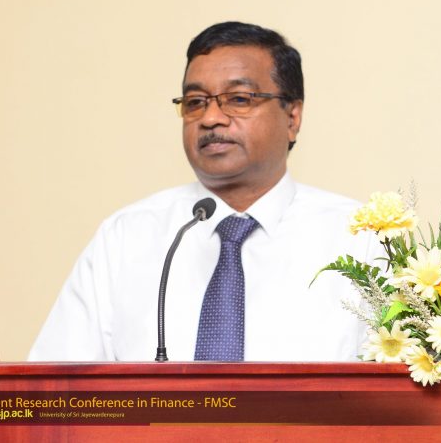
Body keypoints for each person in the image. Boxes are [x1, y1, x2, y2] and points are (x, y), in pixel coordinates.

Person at [29, 21, 382, 362]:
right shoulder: (125, 238)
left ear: (292, 118)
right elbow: (55, 386)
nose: (210, 118)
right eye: (195, 102)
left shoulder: (361, 240)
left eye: (239, 99)